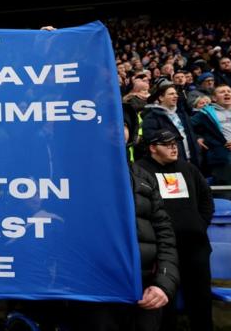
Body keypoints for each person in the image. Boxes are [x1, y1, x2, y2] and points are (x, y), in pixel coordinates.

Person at [68, 105, 179, 331]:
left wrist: (163, 284)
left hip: (145, 292)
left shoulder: (145, 179)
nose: (118, 129)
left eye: (124, 124)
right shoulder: (75, 178)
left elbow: (165, 236)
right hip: (96, 293)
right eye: (109, 123)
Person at [136, 129, 213, 331]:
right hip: (162, 250)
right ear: (152, 148)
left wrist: (199, 225)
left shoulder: (189, 168)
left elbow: (207, 200)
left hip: (195, 247)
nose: (173, 147)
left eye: (175, 143)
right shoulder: (140, 171)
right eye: (166, 144)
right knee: (163, 303)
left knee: (201, 300)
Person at [191, 85, 231, 200]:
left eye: (229, 91)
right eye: (222, 92)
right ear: (214, 98)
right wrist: (198, 137)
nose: (227, 94)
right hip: (223, 159)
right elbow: (188, 127)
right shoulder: (205, 113)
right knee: (224, 194)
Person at [142, 84, 200, 166]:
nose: (176, 96)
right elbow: (151, 138)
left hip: (192, 161)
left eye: (176, 94)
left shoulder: (182, 114)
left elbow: (192, 132)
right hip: (170, 163)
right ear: (161, 98)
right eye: (171, 94)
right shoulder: (152, 117)